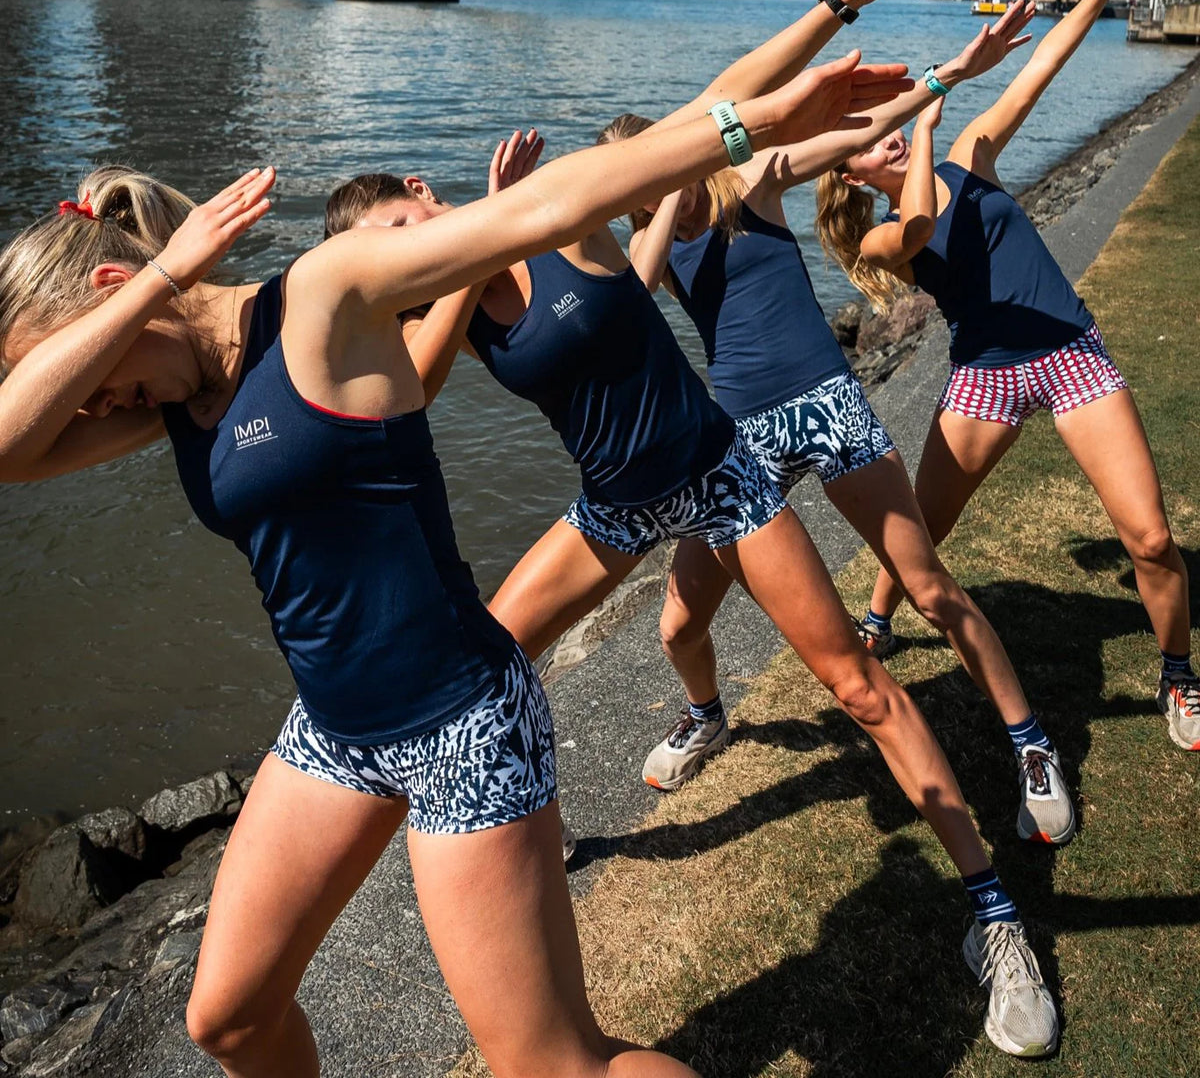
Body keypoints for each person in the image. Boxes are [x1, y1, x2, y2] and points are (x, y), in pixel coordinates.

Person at [0, 57, 884, 1078]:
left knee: (557, 1065)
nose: (90, 410)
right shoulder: (167, 399)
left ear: (111, 292)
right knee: (229, 1019)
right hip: (334, 732)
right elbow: (11, 449)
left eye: (88, 381)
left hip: (459, 725)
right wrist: (155, 288)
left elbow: (547, 206)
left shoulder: (318, 299)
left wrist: (748, 124)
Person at [325, 0, 1059, 1060]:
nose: (412, 251)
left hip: (719, 473)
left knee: (857, 686)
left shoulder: (563, 209)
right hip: (616, 504)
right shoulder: (444, 312)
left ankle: (997, 916)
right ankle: (522, 841)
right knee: (484, 666)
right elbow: (404, 396)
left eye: (410, 226)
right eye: (393, 255)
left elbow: (719, 104)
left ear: (424, 187)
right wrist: (461, 258)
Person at [600, 0, 1077, 847]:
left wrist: (947, 77)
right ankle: (705, 714)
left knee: (928, 589)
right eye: (636, 183)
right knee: (678, 625)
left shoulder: (754, 181)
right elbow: (628, 306)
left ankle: (1031, 743)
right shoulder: (651, 245)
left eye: (661, 166)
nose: (658, 184)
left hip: (828, 403)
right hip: (738, 442)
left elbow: (860, 131)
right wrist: (660, 199)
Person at [815, 0, 1196, 757]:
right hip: (985, 375)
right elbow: (920, 226)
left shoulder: (972, 155)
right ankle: (878, 616)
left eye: (884, 129)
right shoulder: (881, 236)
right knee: (923, 528)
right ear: (855, 177)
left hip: (1069, 353)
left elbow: (1044, 64)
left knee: (1150, 538)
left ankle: (1179, 676)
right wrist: (922, 127)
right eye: (867, 143)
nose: (884, 139)